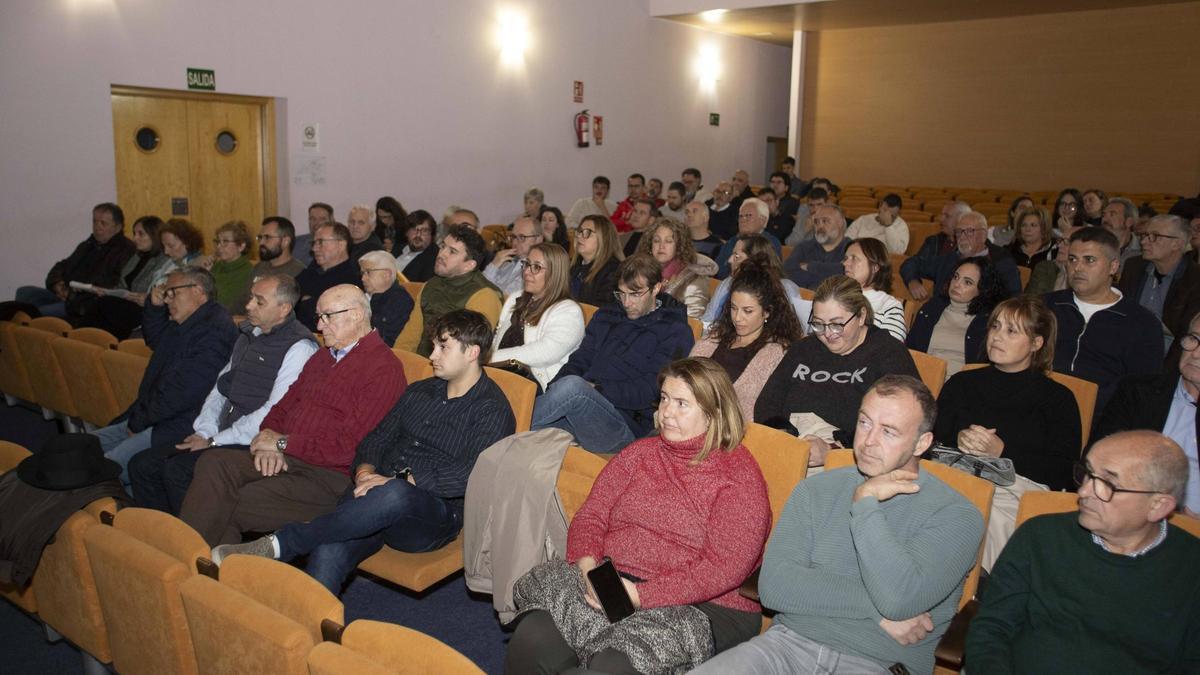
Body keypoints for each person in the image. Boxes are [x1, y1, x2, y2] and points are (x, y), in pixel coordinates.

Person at [695, 375, 985, 675]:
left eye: (889, 431)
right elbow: (774, 586)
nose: (869, 441)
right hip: (785, 648)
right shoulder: (816, 490)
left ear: (922, 442)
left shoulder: (956, 514)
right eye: (864, 423)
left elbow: (900, 600)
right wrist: (875, 611)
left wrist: (865, 505)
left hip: (878, 663)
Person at [210, 310, 515, 594]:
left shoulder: (492, 409)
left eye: (443, 348)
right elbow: (377, 438)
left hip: (432, 515)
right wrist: (366, 471)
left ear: (472, 353)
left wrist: (402, 479)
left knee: (394, 493)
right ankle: (308, 630)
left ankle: (284, 542)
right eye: (433, 346)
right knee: (330, 546)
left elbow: (470, 474)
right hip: (372, 497)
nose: (432, 355)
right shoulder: (420, 391)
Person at [507, 358, 771, 674]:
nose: (666, 412)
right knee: (533, 637)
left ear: (714, 414)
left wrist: (642, 595)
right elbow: (592, 515)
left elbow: (722, 570)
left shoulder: (738, 477)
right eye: (664, 399)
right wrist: (588, 564)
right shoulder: (640, 454)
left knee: (614, 664)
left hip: (706, 604)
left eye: (682, 404)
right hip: (619, 580)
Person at [179, 284, 406, 547]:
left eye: (327, 317)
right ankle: (201, 568)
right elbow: (280, 409)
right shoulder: (323, 357)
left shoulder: (384, 369)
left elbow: (350, 450)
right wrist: (269, 442)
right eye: (318, 318)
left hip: (329, 478)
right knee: (212, 462)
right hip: (290, 459)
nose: (320, 327)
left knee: (231, 501)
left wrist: (282, 443)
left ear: (355, 315)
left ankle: (194, 567)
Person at [965, 431, 1199, 673]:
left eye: (1107, 484)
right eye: (1087, 474)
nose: (1084, 492)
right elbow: (991, 630)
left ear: (1158, 506)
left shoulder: (1191, 571)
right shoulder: (1041, 537)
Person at [127, 273, 318, 513]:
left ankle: (192, 542)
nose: (248, 306)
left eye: (259, 301)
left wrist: (215, 440)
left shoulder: (299, 347)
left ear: (283, 309)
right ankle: (162, 538)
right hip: (222, 434)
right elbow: (220, 388)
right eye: (251, 298)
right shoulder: (249, 334)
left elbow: (273, 413)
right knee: (142, 465)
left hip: (254, 442)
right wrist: (205, 431)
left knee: (177, 470)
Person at [935, 295, 1081, 568]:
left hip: (1016, 489)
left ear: (1037, 343)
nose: (997, 337)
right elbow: (931, 436)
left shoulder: (1058, 399)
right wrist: (957, 438)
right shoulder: (962, 382)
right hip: (956, 473)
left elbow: (1064, 472)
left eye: (1011, 331)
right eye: (995, 327)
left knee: (974, 515)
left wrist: (1002, 452)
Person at [532, 255, 694, 454]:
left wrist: (597, 390)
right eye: (621, 294)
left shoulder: (675, 331)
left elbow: (652, 390)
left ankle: (509, 421)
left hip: (626, 425)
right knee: (531, 436)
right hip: (584, 409)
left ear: (656, 288)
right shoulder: (606, 316)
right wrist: (556, 389)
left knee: (571, 388)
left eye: (635, 294)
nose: (627, 302)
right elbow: (580, 360)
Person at [92, 267, 238, 484]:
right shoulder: (190, 321)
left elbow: (183, 392)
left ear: (198, 291)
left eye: (173, 293)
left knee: (104, 469)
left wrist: (140, 422)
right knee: (83, 448)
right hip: (153, 416)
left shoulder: (214, 330)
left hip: (177, 424)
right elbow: (156, 339)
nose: (168, 299)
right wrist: (154, 306)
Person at [756, 276, 920, 467]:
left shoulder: (888, 353)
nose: (827, 333)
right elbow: (768, 401)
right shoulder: (804, 349)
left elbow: (901, 422)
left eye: (836, 324)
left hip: (847, 456)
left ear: (861, 316)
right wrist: (782, 434)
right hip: (788, 442)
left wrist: (833, 451)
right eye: (818, 323)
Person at [1047, 227, 1163, 412]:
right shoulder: (1046, 306)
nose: (1077, 267)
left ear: (1113, 266)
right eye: (1072, 259)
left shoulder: (1141, 323)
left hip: (1103, 415)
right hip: (1040, 405)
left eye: (1089, 260)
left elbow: (1142, 391)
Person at [1094, 310, 1199, 514]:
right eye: (1194, 339)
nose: (1195, 353)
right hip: (1129, 515)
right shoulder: (1137, 393)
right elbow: (1099, 459)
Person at [691, 261, 805, 420]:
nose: (737, 318)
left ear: (767, 312)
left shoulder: (776, 353)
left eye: (748, 311)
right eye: (733, 308)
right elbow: (686, 377)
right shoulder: (714, 337)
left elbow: (751, 409)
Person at [16, 202, 136, 320]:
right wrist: (57, 284)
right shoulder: (88, 244)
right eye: (94, 221)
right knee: (24, 293)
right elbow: (62, 265)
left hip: (84, 305)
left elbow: (114, 285)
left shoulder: (126, 250)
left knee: (33, 314)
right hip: (67, 296)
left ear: (118, 227)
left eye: (103, 223)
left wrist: (73, 294)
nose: (97, 226)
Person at [491, 243, 585, 391]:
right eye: (527, 264)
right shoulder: (516, 297)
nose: (527, 271)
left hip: (536, 386)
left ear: (555, 273)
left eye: (536, 267)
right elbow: (496, 338)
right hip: (499, 373)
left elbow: (544, 352)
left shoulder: (569, 311)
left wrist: (490, 358)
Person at [907, 257, 1009, 379]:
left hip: (960, 387)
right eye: (956, 277)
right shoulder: (931, 308)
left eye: (967, 282)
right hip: (918, 379)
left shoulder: (988, 322)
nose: (957, 284)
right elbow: (909, 350)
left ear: (982, 290)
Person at [78, 215, 171, 339]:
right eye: (134, 233)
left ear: (154, 236)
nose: (135, 238)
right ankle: (85, 341)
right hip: (125, 303)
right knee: (100, 303)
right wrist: (108, 291)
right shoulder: (137, 256)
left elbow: (152, 289)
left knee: (104, 305)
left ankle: (81, 339)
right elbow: (122, 284)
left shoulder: (164, 259)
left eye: (140, 234)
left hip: (143, 308)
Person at [1117, 214, 1200, 351]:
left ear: (1177, 243)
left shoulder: (1195, 278)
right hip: (1127, 347)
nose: (1143, 242)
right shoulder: (1133, 266)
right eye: (1144, 235)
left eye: (1154, 236)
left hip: (1170, 354)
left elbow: (1187, 336)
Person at [416, 224, 502, 356]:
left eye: (452, 251)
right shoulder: (431, 284)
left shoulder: (485, 295)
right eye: (443, 246)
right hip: (419, 365)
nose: (441, 254)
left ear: (469, 265)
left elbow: (468, 354)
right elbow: (409, 337)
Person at [901, 210, 1021, 300]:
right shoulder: (948, 260)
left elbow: (1013, 298)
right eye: (959, 232)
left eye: (969, 231)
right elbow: (911, 263)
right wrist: (912, 281)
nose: (962, 237)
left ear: (984, 235)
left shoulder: (1001, 261)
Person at [703, 235, 810, 336]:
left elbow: (792, 330)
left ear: (755, 260)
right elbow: (707, 320)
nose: (730, 260)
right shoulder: (727, 282)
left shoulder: (785, 288)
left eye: (737, 256)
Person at [636, 217, 717, 319]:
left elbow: (692, 325)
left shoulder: (694, 281)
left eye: (669, 241)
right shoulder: (641, 273)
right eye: (656, 240)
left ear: (679, 246)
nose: (661, 246)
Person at [295, 222, 362, 330]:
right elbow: (287, 302)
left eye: (321, 242)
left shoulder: (353, 279)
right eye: (314, 243)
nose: (314, 249)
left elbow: (331, 317)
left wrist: (304, 303)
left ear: (341, 245)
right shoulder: (308, 273)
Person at [842, 237, 907, 340]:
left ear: (874, 268)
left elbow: (892, 350)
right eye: (846, 258)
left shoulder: (889, 306)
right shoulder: (834, 294)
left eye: (854, 258)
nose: (845, 264)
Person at [783, 204, 851, 289]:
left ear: (840, 223)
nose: (820, 226)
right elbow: (788, 273)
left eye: (825, 221)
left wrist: (810, 266)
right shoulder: (803, 247)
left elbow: (847, 279)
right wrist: (833, 270)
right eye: (816, 222)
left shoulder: (852, 249)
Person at [714, 198, 781, 279]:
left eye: (748, 216)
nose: (743, 220)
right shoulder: (732, 241)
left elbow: (767, 274)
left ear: (762, 220)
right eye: (740, 216)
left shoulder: (770, 243)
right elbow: (718, 270)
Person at [359, 250, 415, 347]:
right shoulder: (363, 296)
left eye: (368, 272)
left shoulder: (400, 302)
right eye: (362, 273)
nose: (363, 278)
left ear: (387, 274)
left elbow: (387, 342)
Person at [569, 214, 622, 307]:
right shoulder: (573, 267)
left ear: (604, 238)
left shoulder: (613, 271)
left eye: (587, 232)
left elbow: (603, 311)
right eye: (579, 231)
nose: (580, 236)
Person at [484, 216, 543, 298]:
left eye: (522, 237)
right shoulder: (507, 262)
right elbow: (480, 288)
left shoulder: (539, 269)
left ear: (538, 240)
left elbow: (509, 299)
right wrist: (494, 265)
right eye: (513, 237)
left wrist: (493, 266)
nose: (515, 242)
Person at [206, 220, 254, 312]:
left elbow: (227, 303)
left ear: (241, 246)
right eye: (218, 242)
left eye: (225, 241)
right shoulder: (216, 267)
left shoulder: (249, 271)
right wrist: (205, 274)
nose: (219, 246)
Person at [149, 218, 206, 289]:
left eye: (171, 246)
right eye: (164, 246)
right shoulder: (172, 261)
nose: (166, 251)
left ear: (187, 242)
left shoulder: (198, 265)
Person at [1101, 196, 1142, 276]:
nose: (1105, 219)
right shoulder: (1095, 245)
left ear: (1129, 222)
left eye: (1112, 214)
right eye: (1104, 215)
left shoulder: (1142, 249)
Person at [395, 209, 438, 282]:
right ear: (406, 232)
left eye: (424, 230)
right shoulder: (398, 248)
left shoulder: (434, 259)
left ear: (431, 235)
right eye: (414, 229)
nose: (418, 235)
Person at [294, 202, 334, 267]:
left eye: (322, 219)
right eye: (313, 219)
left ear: (331, 221)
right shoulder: (296, 242)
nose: (317, 223)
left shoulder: (337, 245)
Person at [764, 171, 800, 243]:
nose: (775, 185)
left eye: (779, 182)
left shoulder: (793, 203)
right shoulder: (763, 200)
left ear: (786, 187)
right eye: (772, 182)